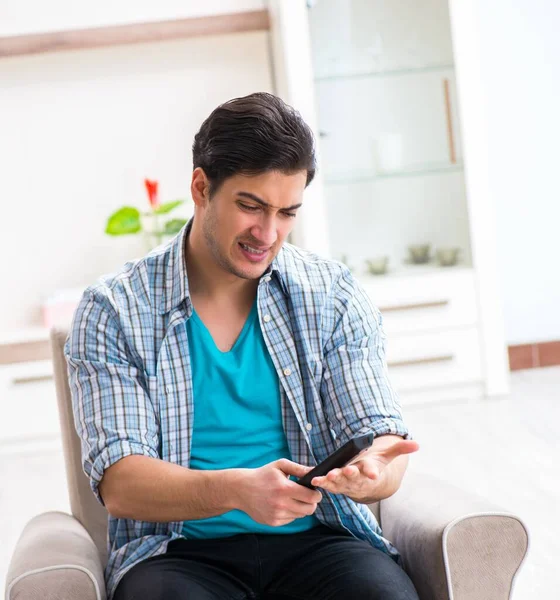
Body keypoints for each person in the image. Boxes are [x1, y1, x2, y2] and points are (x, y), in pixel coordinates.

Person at [65, 92, 420, 600]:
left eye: (286, 212)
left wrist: (373, 474)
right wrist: (237, 490)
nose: (268, 232)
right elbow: (121, 484)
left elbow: (381, 439)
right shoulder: (115, 310)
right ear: (201, 187)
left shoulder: (332, 296)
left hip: (321, 544)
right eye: (250, 206)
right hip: (179, 556)